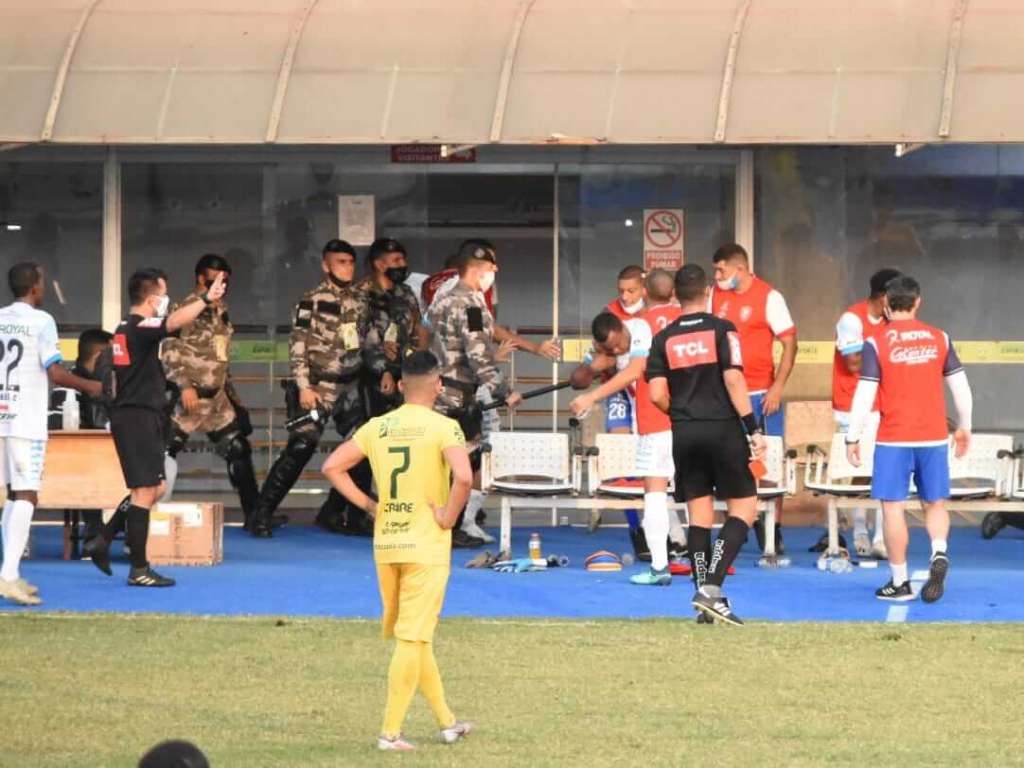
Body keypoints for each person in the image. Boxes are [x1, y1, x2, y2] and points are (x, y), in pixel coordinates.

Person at [322, 351, 474, 751]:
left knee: (415, 637)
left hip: (388, 542)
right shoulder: (446, 427)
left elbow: (332, 467)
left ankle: (447, 722)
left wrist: (370, 505)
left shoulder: (378, 427)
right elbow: (464, 476)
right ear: (438, 385)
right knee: (413, 637)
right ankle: (390, 733)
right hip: (426, 544)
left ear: (402, 385)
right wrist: (447, 517)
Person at [83, 267, 226, 587]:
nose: (167, 303)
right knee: (145, 491)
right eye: (164, 296)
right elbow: (173, 323)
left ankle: (103, 540)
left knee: (153, 487)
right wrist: (205, 298)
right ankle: (139, 568)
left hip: (138, 415)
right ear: (151, 299)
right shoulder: (138, 326)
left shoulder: (126, 327)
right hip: (135, 416)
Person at [646, 264, 767, 626]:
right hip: (724, 430)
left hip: (684, 433)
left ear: (674, 296)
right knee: (744, 510)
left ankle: (704, 605)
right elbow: (733, 379)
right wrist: (753, 428)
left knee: (699, 516)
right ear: (709, 293)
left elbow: (655, 395)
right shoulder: (722, 329)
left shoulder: (662, 338)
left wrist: (682, 413)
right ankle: (711, 589)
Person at [846, 276, 972, 604]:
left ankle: (900, 582)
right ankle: (939, 552)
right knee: (935, 503)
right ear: (917, 303)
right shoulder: (939, 338)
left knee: (893, 508)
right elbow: (961, 388)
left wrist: (852, 436)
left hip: (894, 439)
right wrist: (965, 427)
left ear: (886, 304)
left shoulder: (876, 342)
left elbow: (865, 393)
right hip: (932, 436)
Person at [251, 239, 383, 537]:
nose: (346, 268)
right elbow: (296, 346)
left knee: (362, 447)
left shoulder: (362, 301)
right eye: (340, 262)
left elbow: (369, 342)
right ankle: (260, 515)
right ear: (326, 265)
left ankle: (347, 515)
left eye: (350, 262)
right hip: (317, 386)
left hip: (349, 387)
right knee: (300, 447)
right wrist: (303, 386)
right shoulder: (311, 300)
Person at [568, 269, 688, 577]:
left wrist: (591, 397)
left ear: (645, 291)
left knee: (660, 488)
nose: (617, 350)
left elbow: (636, 368)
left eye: (633, 290)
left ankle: (672, 558)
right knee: (662, 488)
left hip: (665, 418)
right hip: (665, 418)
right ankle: (670, 554)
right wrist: (597, 365)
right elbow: (578, 377)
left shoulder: (641, 326)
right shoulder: (613, 327)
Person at [0, 263, 102, 605]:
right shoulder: (41, 322)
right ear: (35, 288)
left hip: (1, 416)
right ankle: (9, 576)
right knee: (26, 494)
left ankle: (10, 573)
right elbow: (55, 371)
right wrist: (91, 386)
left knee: (13, 495)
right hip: (26, 421)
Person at [161, 254, 269, 532]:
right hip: (188, 399)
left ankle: (255, 517)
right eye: (216, 278)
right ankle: (146, 516)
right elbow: (169, 351)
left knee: (238, 450)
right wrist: (183, 385)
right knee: (163, 453)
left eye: (225, 279)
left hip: (217, 399)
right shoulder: (183, 308)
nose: (221, 284)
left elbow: (221, 358)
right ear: (201, 278)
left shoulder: (222, 310)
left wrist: (231, 393)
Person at [428, 243, 522, 547]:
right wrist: (505, 391)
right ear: (479, 269)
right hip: (458, 398)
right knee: (467, 461)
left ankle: (440, 524)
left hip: (437, 391)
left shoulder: (443, 299)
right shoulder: (472, 305)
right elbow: (479, 356)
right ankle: (452, 527)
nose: (494, 276)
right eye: (492, 270)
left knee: (439, 463)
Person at [711, 243, 796, 553]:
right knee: (727, 461)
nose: (717, 276)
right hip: (725, 396)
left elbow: (790, 344)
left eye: (722, 270)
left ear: (740, 269)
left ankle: (772, 528)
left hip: (761, 394)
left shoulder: (769, 297)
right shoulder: (714, 295)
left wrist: (777, 387)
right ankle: (737, 524)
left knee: (767, 463)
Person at [828, 267, 902, 558]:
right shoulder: (851, 319)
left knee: (885, 470)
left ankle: (881, 537)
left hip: (881, 404)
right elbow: (853, 364)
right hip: (851, 405)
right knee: (858, 470)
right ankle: (860, 529)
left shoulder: (891, 322)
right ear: (883, 296)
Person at [359, 237, 427, 417]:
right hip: (370, 377)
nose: (403, 264)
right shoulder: (361, 294)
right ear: (380, 264)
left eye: (403, 259)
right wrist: (384, 371)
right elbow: (367, 340)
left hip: (403, 375)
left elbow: (416, 328)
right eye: (396, 260)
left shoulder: (405, 293)